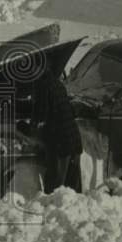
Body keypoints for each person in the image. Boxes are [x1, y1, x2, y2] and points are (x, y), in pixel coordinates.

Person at [28, 60, 84, 194]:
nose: (30, 73)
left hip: (59, 139)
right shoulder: (56, 82)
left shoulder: (43, 85)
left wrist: (31, 128)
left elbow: (42, 114)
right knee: (72, 180)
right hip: (72, 136)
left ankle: (52, 204)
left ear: (40, 69)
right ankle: (74, 207)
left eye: (31, 69)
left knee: (55, 180)